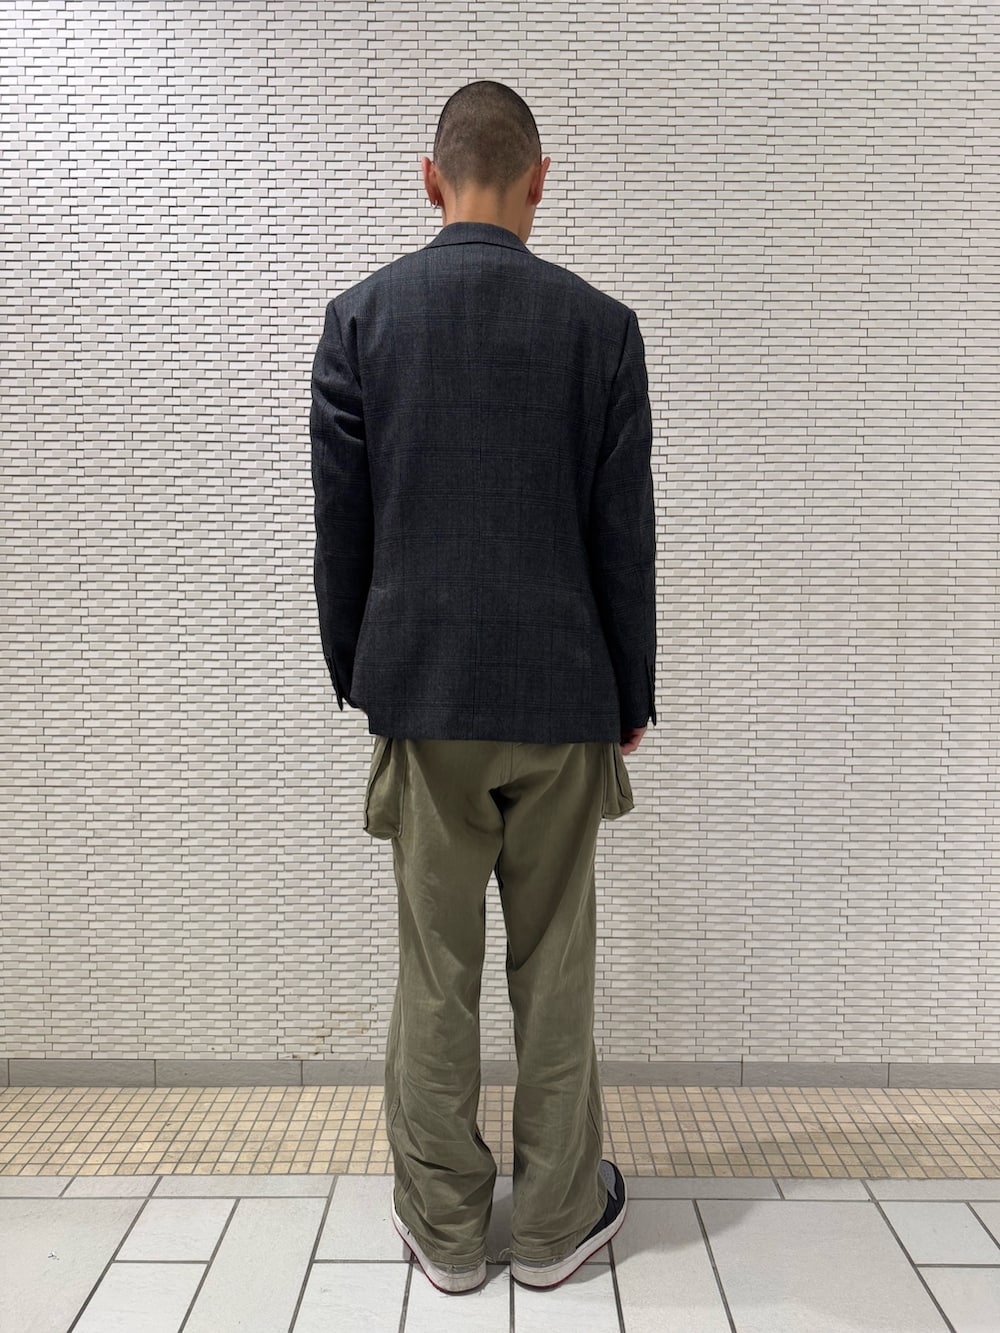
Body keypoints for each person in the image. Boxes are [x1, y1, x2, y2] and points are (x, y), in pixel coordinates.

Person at [310, 79, 656, 1296]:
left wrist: (365, 675)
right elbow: (622, 535)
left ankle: (449, 1232)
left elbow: (342, 533)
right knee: (554, 973)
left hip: (425, 696)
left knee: (434, 973)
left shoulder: (361, 321)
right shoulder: (601, 329)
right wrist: (630, 693)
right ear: (538, 181)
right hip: (564, 699)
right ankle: (556, 1224)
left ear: (430, 178)